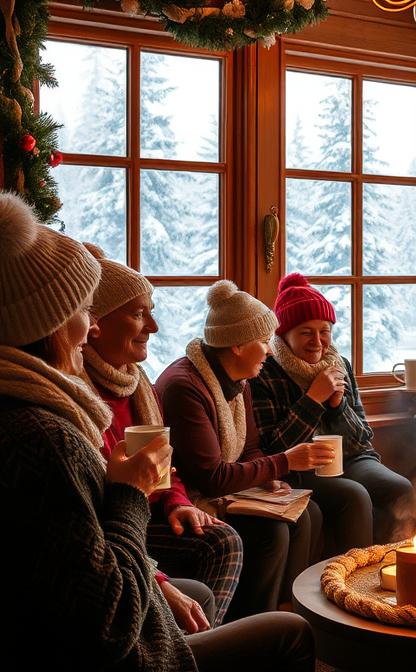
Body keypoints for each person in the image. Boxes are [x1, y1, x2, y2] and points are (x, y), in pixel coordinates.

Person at [0, 192, 313, 670]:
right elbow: (110, 620)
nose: (85, 331)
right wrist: (132, 501)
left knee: (278, 529)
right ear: (54, 323)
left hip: (142, 544)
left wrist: (175, 500)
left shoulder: (117, 392)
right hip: (133, 637)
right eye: (85, 311)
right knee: (290, 630)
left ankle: (215, 632)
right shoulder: (50, 434)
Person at [82, 243, 243, 628]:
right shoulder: (80, 397)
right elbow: (96, 513)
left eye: (151, 314)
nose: (153, 328)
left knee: (223, 540)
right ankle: (192, 645)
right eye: (139, 315)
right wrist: (157, 580)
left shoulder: (139, 385)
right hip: (118, 523)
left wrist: (178, 502)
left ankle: (198, 640)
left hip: (153, 512)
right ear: (96, 322)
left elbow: (163, 466)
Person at [155, 280, 326, 620]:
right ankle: (253, 622)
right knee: (272, 532)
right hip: (190, 499)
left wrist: (266, 478)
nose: (271, 350)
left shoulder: (238, 380)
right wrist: (283, 462)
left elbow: (248, 448)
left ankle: (285, 613)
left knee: (309, 514)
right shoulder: (185, 387)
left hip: (223, 490)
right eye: (264, 342)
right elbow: (212, 477)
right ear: (236, 345)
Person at [251, 273, 413, 550]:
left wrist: (338, 406)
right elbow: (273, 447)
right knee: (355, 496)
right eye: (306, 332)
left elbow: (362, 438)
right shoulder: (266, 371)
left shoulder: (339, 365)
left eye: (324, 331)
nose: (317, 341)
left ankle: (388, 569)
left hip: (351, 459)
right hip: (299, 467)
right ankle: (347, 578)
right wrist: (314, 399)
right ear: (283, 334)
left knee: (399, 488)